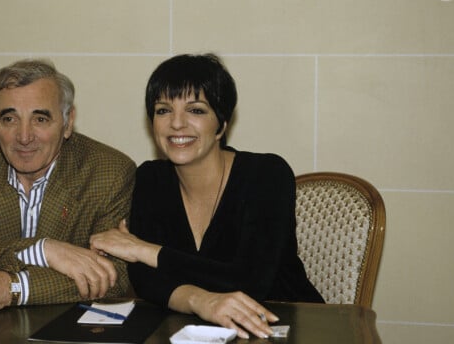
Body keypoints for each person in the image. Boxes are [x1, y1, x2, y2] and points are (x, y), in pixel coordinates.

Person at [90, 53, 324, 339]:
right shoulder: (151, 178)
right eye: (163, 110)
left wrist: (143, 250)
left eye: (196, 111)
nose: (177, 124)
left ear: (222, 125)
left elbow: (250, 280)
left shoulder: (267, 174)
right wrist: (200, 301)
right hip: (194, 330)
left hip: (285, 325)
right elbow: (147, 281)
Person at [0, 59, 136, 314]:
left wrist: (13, 287)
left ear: (67, 122)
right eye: (9, 119)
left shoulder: (109, 173)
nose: (24, 136)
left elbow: (113, 276)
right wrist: (42, 250)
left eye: (40, 119)